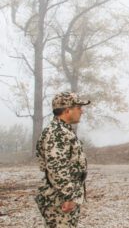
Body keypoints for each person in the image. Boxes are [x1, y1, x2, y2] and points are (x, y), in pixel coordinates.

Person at [35, 92, 91, 228]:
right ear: (67, 110)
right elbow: (57, 168)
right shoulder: (56, 133)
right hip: (58, 199)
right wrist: (68, 196)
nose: (81, 111)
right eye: (78, 108)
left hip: (62, 195)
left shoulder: (64, 130)